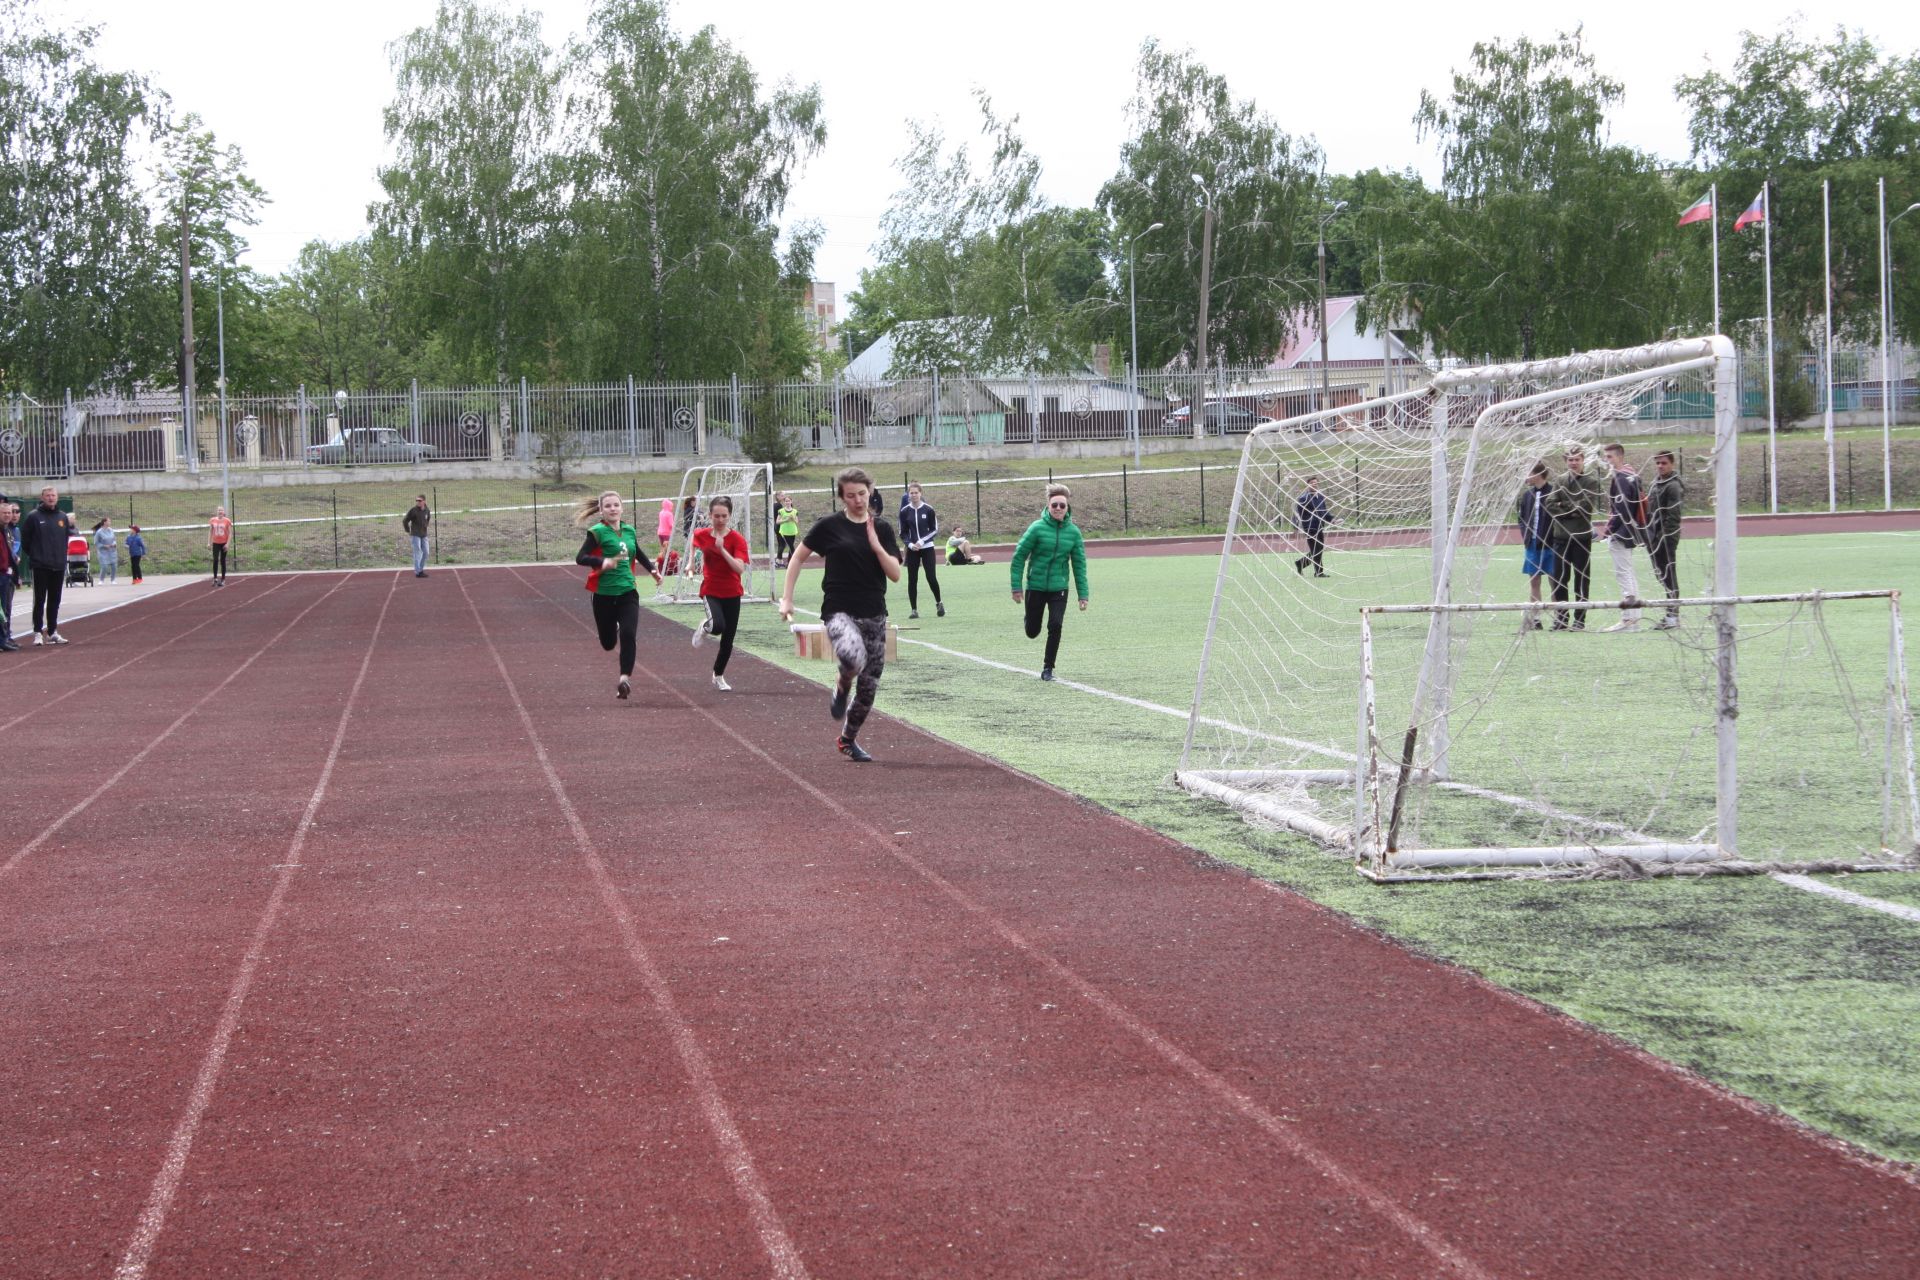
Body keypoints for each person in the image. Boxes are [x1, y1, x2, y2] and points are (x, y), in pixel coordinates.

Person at [778, 466, 901, 763]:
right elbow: (797, 558)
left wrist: (876, 547)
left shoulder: (881, 528)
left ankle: (848, 739)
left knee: (870, 685)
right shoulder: (828, 526)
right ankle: (841, 683)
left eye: (862, 493)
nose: (858, 500)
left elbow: (896, 574)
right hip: (839, 611)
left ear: (870, 491)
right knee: (853, 658)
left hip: (874, 612)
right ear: (841, 498)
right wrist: (787, 599)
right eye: (851, 496)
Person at [574, 490, 661, 701]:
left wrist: (652, 570)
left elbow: (637, 552)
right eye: (608, 506)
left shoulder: (629, 530)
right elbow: (580, 558)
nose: (612, 509)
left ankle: (624, 679)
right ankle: (614, 627)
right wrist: (602, 562)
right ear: (602, 510)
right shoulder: (596, 532)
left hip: (628, 592)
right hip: (603, 595)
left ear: (622, 508)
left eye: (616, 505)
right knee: (608, 643)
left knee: (629, 635)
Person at [1010, 483, 1090, 682]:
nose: (1058, 509)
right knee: (1032, 631)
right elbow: (1019, 557)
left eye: (1062, 505)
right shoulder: (1036, 528)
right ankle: (1029, 619)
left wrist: (1083, 594)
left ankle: (1048, 668)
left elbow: (1079, 565)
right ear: (1048, 505)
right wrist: (1016, 587)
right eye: (1054, 505)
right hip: (1036, 586)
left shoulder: (1073, 532)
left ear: (1067, 507)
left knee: (1055, 624)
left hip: (1059, 588)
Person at [690, 495, 751, 691]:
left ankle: (718, 675)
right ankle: (705, 626)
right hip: (711, 590)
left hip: (732, 591)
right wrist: (691, 561)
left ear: (730, 516)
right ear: (710, 515)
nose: (720, 520)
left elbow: (739, 569)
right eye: (716, 515)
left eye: (724, 516)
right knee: (717, 626)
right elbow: (694, 541)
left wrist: (723, 550)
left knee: (728, 639)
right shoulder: (702, 534)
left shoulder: (737, 540)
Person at [1543, 446, 1602, 631]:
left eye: (1577, 459)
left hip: (1581, 538)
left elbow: (1585, 507)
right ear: (1565, 461)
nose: (1574, 463)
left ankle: (1580, 619)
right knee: (1559, 579)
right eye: (1570, 459)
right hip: (1560, 537)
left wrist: (1563, 507)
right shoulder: (1560, 480)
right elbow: (1549, 504)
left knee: (1581, 578)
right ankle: (1561, 619)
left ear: (1583, 460)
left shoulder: (1591, 482)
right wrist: (1570, 508)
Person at [1598, 443, 1649, 632]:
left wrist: (1609, 531)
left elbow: (1621, 510)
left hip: (1623, 533)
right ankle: (1633, 617)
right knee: (1628, 572)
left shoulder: (1622, 478)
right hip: (1630, 531)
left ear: (1620, 457)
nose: (1607, 460)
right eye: (1606, 457)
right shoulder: (1631, 474)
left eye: (1610, 457)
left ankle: (1629, 618)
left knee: (1624, 574)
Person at [20, 486, 75, 643]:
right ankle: (38, 632)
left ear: (57, 497)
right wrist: (37, 555)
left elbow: (65, 540)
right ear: (42, 497)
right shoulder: (33, 517)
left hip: (58, 565)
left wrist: (60, 558)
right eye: (48, 495)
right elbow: (26, 541)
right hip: (40, 566)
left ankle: (52, 631)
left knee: (55, 600)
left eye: (53, 495)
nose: (51, 498)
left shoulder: (62, 517)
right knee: (39, 599)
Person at [1646, 450, 1686, 631]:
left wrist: (1665, 538)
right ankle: (1670, 613)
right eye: (1658, 463)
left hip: (1665, 538)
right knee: (1662, 576)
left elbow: (1673, 516)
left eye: (1663, 463)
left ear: (1672, 464)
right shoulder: (1656, 483)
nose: (1660, 466)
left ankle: (1673, 617)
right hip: (1653, 537)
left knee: (1669, 576)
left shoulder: (1673, 486)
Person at [1516, 462, 1557, 631]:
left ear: (1538, 474)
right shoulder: (1527, 495)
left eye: (1528, 473)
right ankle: (1536, 618)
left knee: (1555, 582)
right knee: (1534, 581)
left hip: (1551, 545)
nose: (1525, 477)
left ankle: (1558, 618)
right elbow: (1522, 517)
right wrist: (1526, 535)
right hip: (1532, 545)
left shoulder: (1554, 492)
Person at [897, 481, 944, 619]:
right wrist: (910, 544)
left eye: (916, 492)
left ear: (920, 493)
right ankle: (914, 609)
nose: (914, 495)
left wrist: (922, 541)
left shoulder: (928, 509)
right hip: (912, 550)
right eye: (911, 493)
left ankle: (939, 603)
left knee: (931, 577)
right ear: (908, 494)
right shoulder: (904, 511)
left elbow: (934, 529)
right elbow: (902, 531)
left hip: (927, 547)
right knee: (912, 579)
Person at [1293, 475, 1332, 578]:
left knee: (1318, 549)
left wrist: (1332, 519)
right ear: (1308, 485)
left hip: (1319, 527)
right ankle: (1318, 572)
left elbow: (1324, 512)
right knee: (1316, 549)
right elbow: (1297, 513)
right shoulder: (1303, 498)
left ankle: (1301, 563)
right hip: (1309, 528)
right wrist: (1295, 526)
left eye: (1316, 482)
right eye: (1312, 483)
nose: (1314, 484)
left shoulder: (1321, 497)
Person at [0, 501, 20, 651]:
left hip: (7, 574)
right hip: (2, 573)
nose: (9, 515)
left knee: (6, 608)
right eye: (5, 513)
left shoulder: (8, 530)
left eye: (10, 512)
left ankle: (5, 637)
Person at [402, 493, 432, 577]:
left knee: (426, 552)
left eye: (419, 500)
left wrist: (425, 526)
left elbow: (428, 519)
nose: (418, 502)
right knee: (417, 552)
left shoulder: (427, 510)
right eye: (417, 501)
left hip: (424, 535)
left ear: (424, 501)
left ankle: (420, 570)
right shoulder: (413, 510)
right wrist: (408, 530)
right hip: (415, 535)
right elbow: (405, 521)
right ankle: (418, 572)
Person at [208, 505, 233, 585]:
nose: (220, 512)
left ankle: (223, 579)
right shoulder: (212, 520)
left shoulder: (227, 521)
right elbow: (210, 531)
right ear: (217, 511)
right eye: (219, 510)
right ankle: (215, 578)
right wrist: (209, 542)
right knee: (215, 560)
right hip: (215, 543)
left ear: (224, 512)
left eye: (221, 510)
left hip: (223, 543)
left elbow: (230, 533)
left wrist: (227, 544)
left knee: (222, 561)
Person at [774, 492, 799, 568]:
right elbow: (777, 521)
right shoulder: (781, 511)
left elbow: (797, 521)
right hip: (784, 532)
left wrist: (793, 518)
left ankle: (787, 563)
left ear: (791, 501)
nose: (787, 502)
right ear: (784, 502)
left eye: (789, 501)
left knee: (791, 547)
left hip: (792, 531)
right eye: (786, 501)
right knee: (791, 547)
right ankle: (788, 563)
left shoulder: (795, 511)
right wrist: (786, 520)